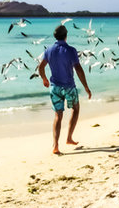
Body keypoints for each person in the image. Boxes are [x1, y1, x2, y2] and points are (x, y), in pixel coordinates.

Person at [38, 24, 92, 155]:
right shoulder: (71, 50)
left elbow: (41, 67)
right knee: (76, 108)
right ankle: (69, 138)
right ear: (66, 36)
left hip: (55, 87)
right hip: (69, 87)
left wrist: (44, 79)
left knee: (58, 116)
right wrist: (86, 86)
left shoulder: (49, 50)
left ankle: (55, 146)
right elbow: (78, 69)